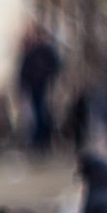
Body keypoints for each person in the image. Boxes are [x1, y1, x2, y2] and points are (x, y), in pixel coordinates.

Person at [17, 22, 61, 155]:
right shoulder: (33, 51)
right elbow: (25, 70)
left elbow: (56, 66)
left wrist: (47, 78)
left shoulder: (45, 52)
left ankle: (42, 141)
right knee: (36, 115)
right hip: (34, 87)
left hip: (43, 87)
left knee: (42, 114)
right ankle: (38, 141)